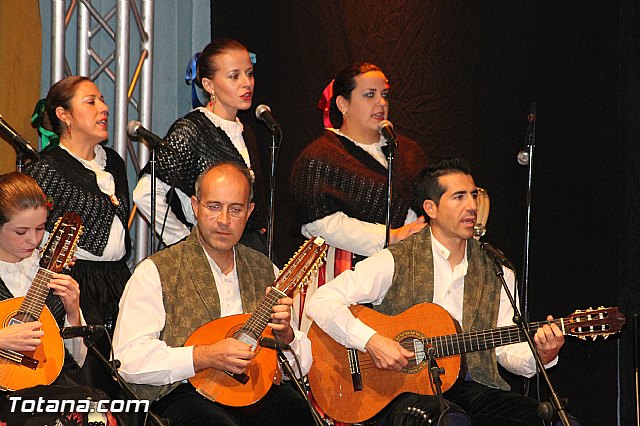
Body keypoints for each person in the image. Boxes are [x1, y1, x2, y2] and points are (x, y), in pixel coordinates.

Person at [306, 158, 569, 425]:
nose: (472, 206)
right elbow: (322, 301)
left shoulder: (498, 270)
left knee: (553, 420)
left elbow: (506, 350)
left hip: (473, 387)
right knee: (445, 419)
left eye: (473, 195)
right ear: (431, 208)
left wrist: (542, 355)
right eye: (459, 197)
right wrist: (371, 341)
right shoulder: (396, 260)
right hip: (400, 391)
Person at [113, 162, 314, 425]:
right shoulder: (157, 271)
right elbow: (127, 360)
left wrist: (286, 335)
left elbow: (301, 367)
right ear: (195, 206)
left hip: (252, 391)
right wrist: (204, 356)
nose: (224, 220)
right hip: (182, 392)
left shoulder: (266, 270)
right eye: (214, 207)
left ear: (249, 212)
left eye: (235, 209)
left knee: (296, 410)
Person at [290, 62, 428, 329]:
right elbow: (319, 224)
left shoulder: (407, 152)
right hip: (338, 272)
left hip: (396, 273)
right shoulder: (319, 157)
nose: (380, 103)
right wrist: (391, 236)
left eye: (384, 95)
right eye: (369, 95)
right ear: (342, 104)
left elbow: (419, 206)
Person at [133, 38, 269, 254]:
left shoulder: (246, 132)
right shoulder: (192, 130)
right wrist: (187, 245)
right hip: (212, 256)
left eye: (249, 73)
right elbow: (145, 194)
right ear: (208, 85)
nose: (246, 83)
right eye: (234, 76)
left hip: (248, 254)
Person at [26, 76, 131, 334]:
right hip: (75, 282)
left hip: (118, 280)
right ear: (64, 114)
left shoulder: (114, 162)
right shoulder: (46, 169)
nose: (103, 108)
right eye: (91, 102)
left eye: (103, 101)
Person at [0, 172, 94, 423]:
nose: (33, 240)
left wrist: (73, 311)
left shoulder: (50, 270)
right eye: (21, 231)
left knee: (95, 409)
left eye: (40, 228)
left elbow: (75, 362)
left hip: (49, 387)